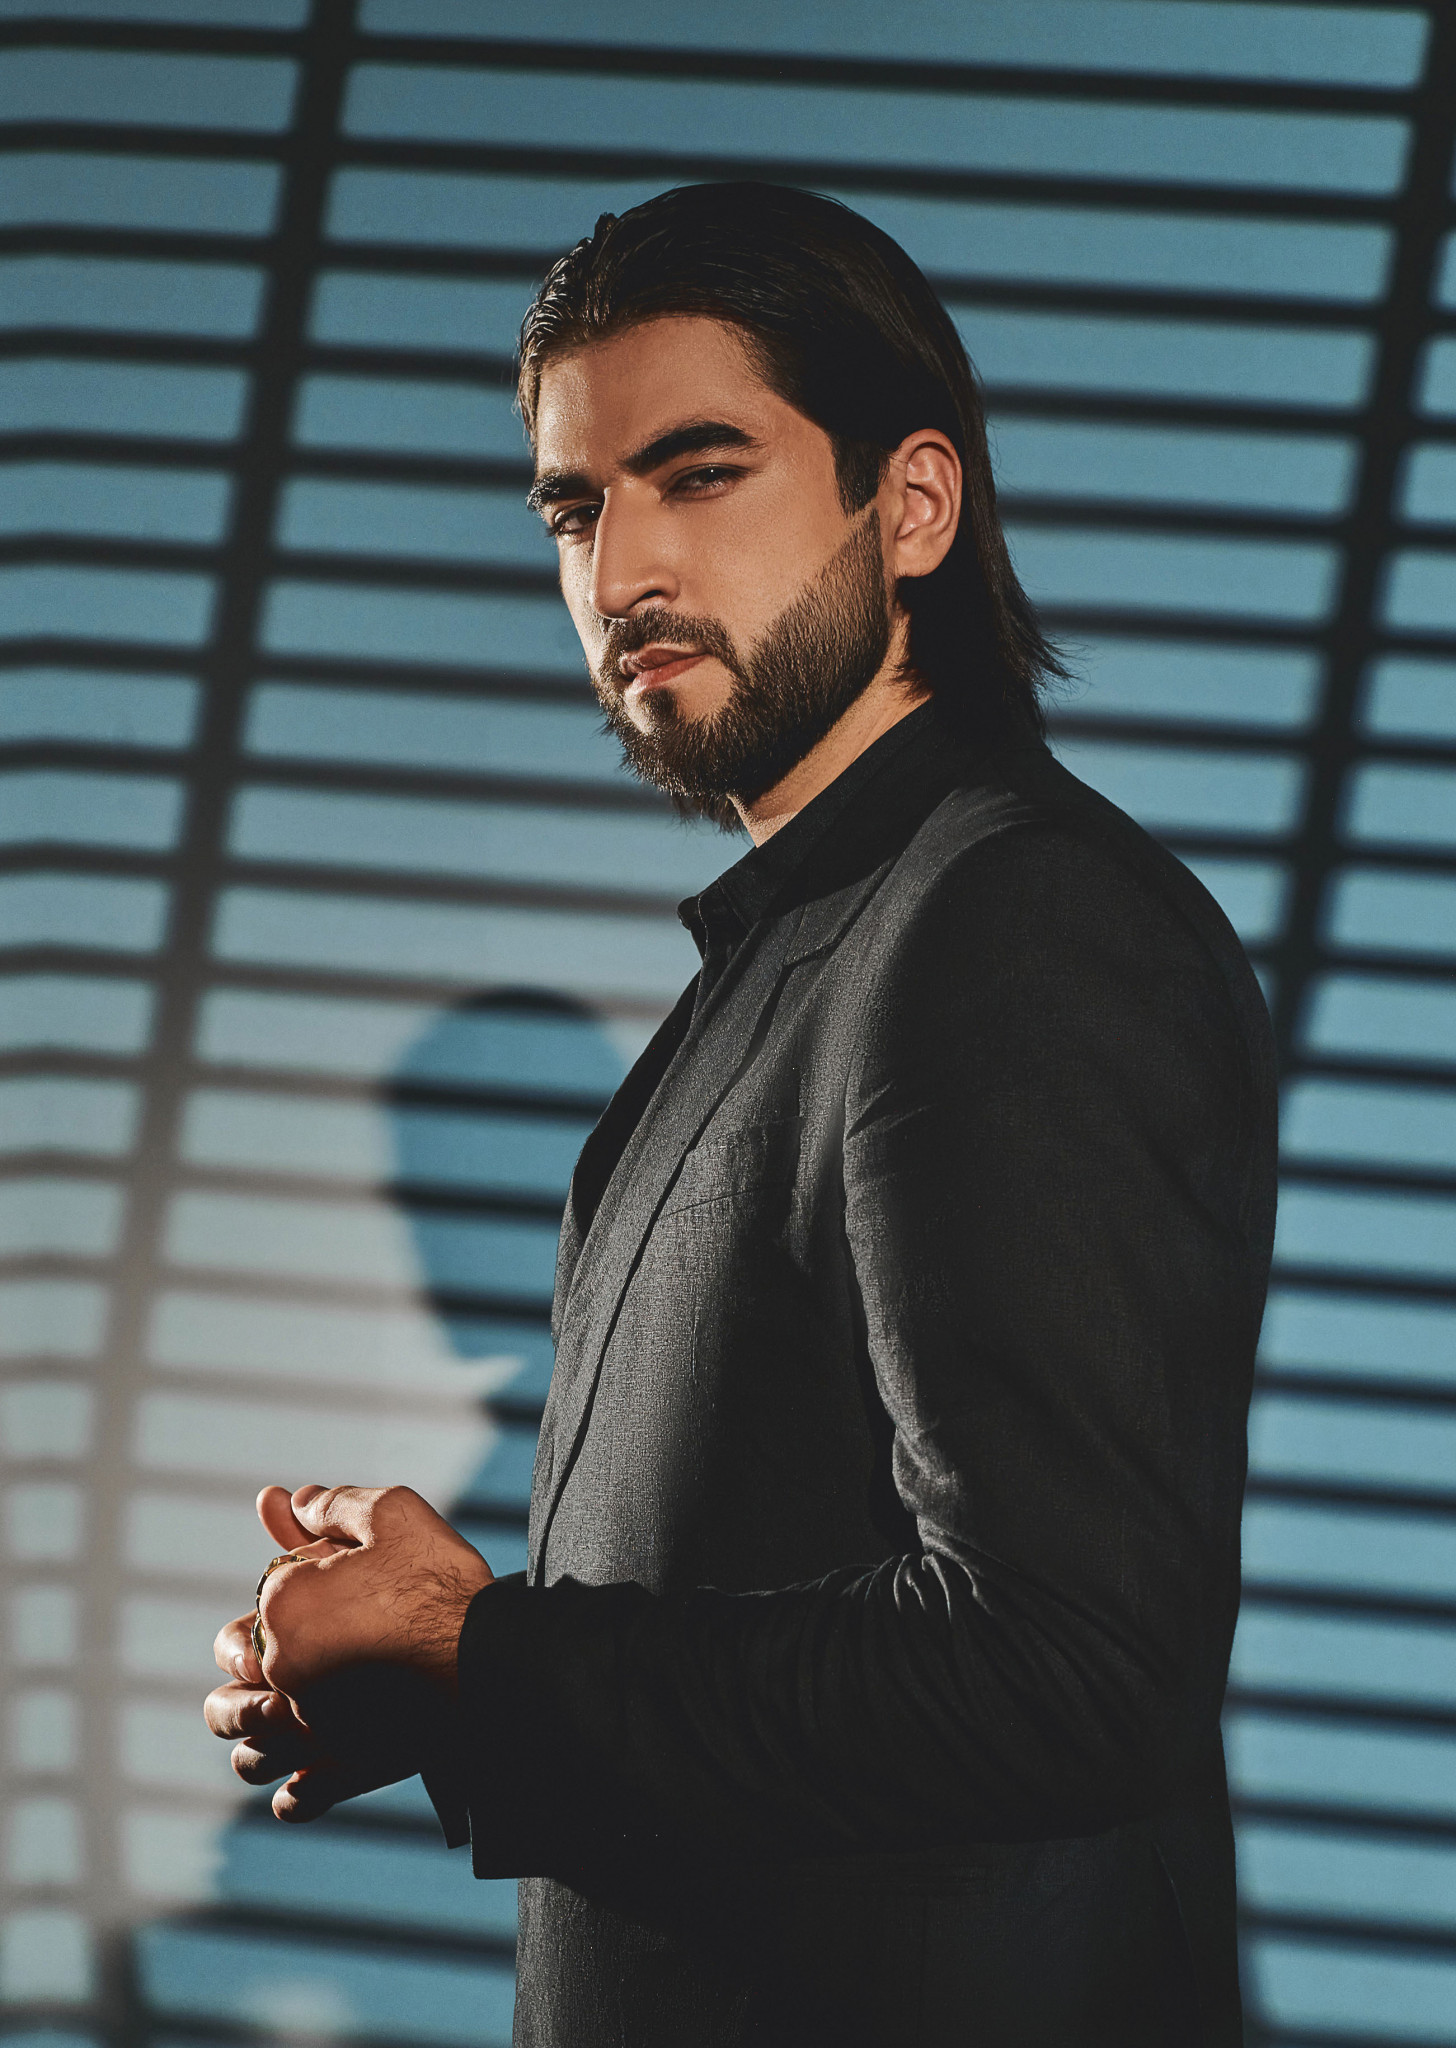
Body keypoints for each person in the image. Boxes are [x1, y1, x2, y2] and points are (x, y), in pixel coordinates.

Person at [205, 182, 1277, 2047]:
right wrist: (443, 1670)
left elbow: (1067, 1668)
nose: (621, 568)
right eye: (574, 507)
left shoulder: (1015, 924)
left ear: (911, 505)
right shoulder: (782, 965)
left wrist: (472, 1653)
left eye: (699, 474)